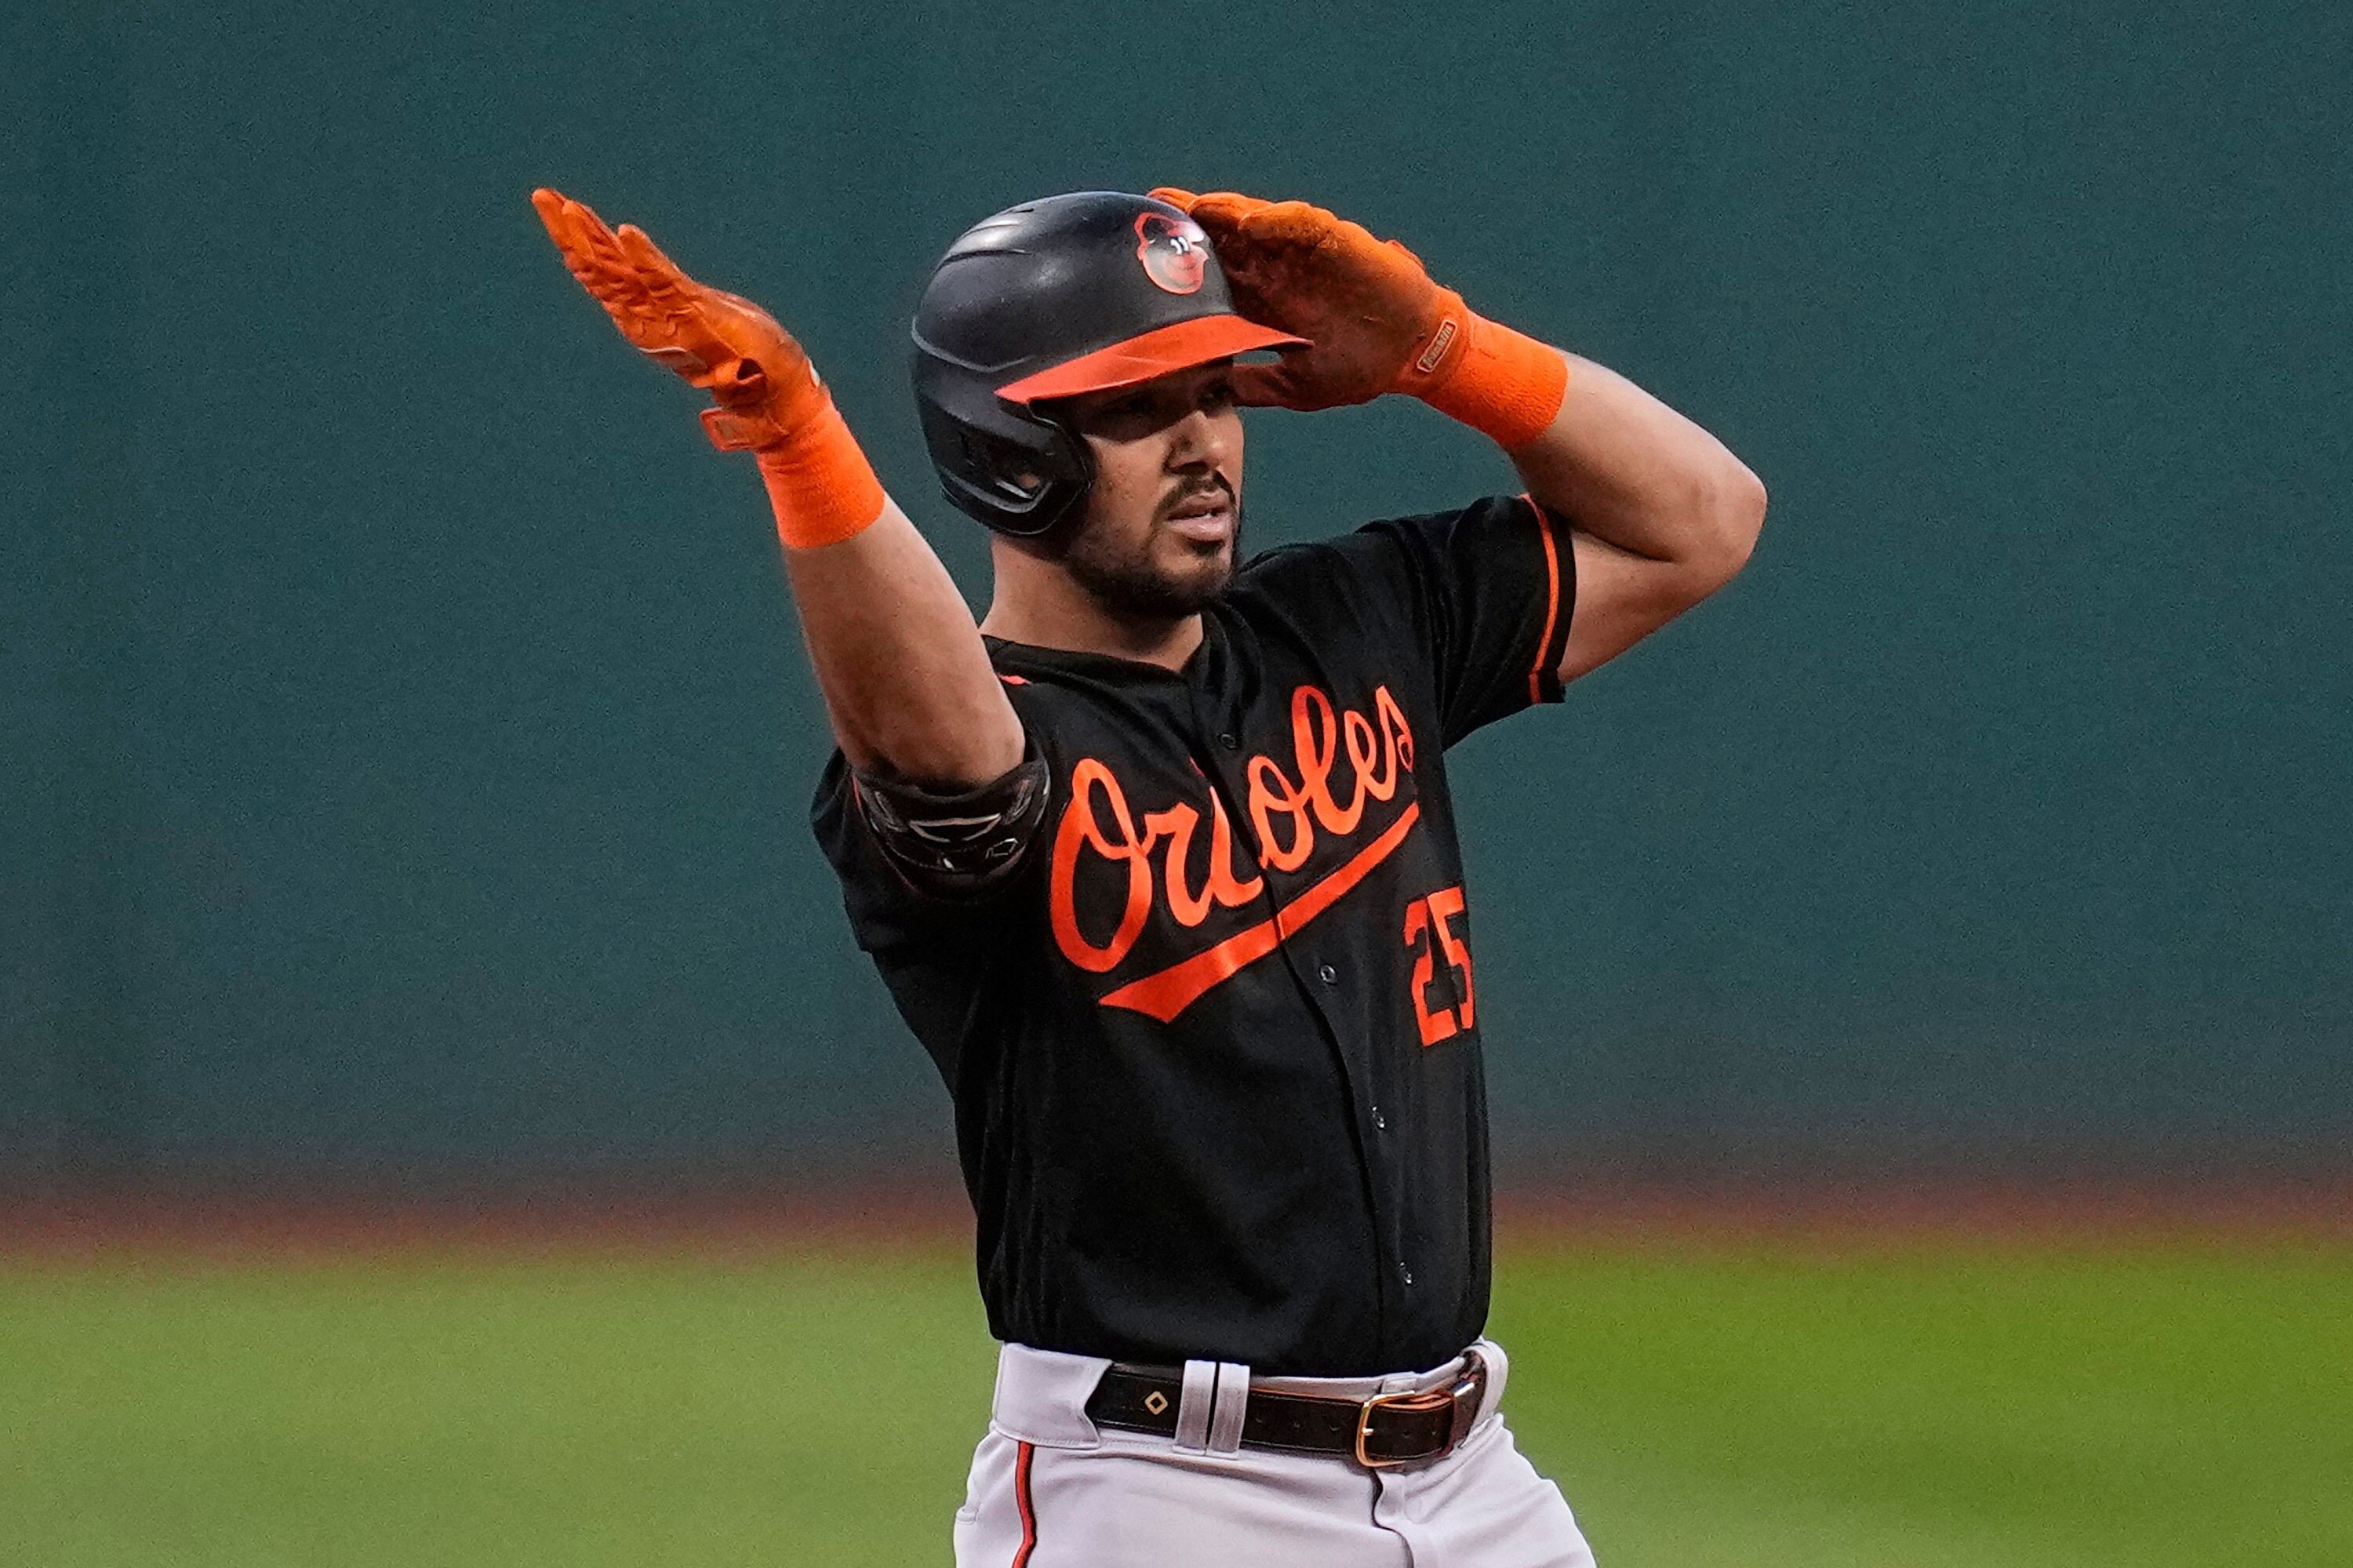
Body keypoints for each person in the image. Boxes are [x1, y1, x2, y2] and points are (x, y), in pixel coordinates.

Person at [533, 184, 1765, 1567]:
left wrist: (1440, 347)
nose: (1204, 444)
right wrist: (803, 447)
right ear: (1011, 449)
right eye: (1137, 405)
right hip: (1167, 1493)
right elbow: (945, 754)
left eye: (1217, 390)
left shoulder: (1358, 619)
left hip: (1476, 1483)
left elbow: (1703, 522)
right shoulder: (987, 743)